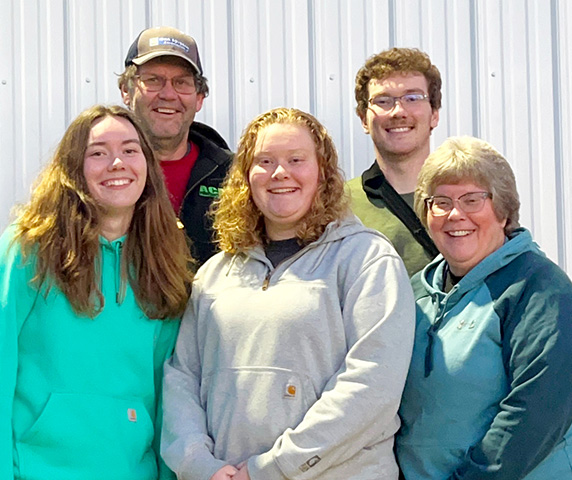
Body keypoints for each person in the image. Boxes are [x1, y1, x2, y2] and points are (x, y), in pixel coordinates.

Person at [161, 107, 415, 480]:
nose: (280, 173)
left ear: (322, 172)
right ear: (246, 177)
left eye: (296, 160)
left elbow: (373, 384)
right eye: (265, 161)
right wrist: (200, 465)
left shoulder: (366, 258)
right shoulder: (216, 275)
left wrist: (275, 466)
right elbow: (182, 377)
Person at [0, 105, 193, 479]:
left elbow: (168, 397)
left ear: (148, 167)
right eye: (98, 152)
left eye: (130, 150)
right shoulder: (27, 250)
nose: (117, 163)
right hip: (37, 469)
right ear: (73, 168)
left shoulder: (162, 265)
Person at [395, 136, 572, 479]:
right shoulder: (413, 292)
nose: (455, 214)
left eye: (472, 199)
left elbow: (533, 415)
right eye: (440, 201)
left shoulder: (539, 288)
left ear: (503, 211)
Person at [118, 26, 233, 266]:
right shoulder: (100, 173)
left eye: (181, 82)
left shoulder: (237, 177)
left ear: (199, 98)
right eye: (153, 80)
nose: (169, 94)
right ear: (126, 91)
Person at [346, 47, 442, 276]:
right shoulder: (337, 206)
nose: (398, 111)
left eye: (412, 98)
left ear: (435, 113)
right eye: (383, 100)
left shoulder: (470, 199)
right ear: (363, 119)